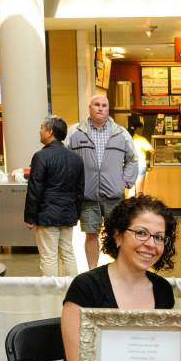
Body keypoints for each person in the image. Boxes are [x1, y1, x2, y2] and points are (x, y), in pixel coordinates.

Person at [53, 195, 178, 361]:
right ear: (118, 235)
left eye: (159, 237)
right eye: (141, 233)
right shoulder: (86, 287)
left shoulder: (163, 290)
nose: (151, 244)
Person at [66, 95, 138, 270]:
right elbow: (64, 158)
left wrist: (126, 181)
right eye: (96, 105)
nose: (100, 108)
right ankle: (92, 271)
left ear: (108, 109)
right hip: (88, 196)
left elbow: (133, 159)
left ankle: (120, 269)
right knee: (91, 235)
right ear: (89, 108)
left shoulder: (121, 133)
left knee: (118, 233)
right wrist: (72, 183)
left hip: (114, 196)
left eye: (104, 105)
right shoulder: (75, 132)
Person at [24, 115, 83, 277]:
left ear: (50, 132)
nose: (40, 131)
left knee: (49, 257)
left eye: (42, 128)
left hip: (47, 214)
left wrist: (30, 217)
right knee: (68, 254)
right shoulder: (76, 158)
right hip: (68, 213)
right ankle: (73, 291)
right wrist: (76, 214)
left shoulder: (41, 157)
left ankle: (50, 295)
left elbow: (35, 189)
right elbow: (80, 190)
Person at [129, 120, 153, 196]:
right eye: (142, 129)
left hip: (130, 166)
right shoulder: (141, 139)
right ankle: (138, 205)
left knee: (131, 188)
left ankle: (130, 205)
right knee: (139, 188)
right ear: (139, 128)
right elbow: (152, 151)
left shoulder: (129, 139)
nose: (142, 131)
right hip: (140, 165)